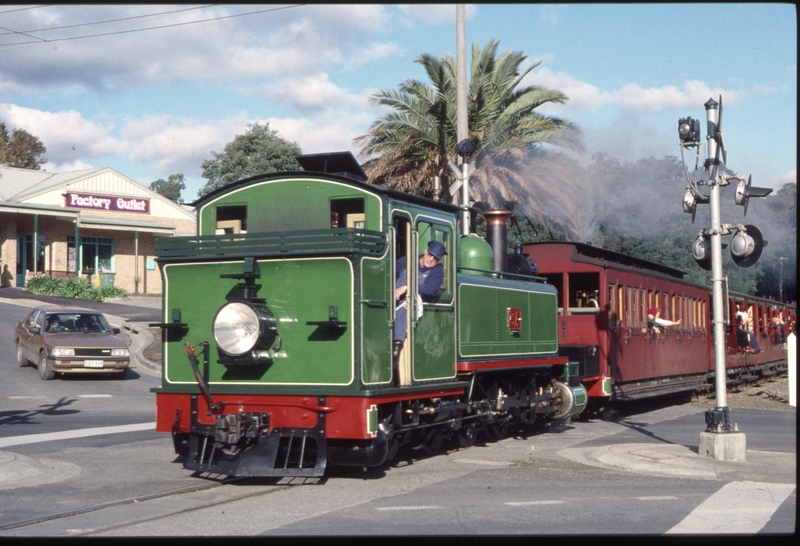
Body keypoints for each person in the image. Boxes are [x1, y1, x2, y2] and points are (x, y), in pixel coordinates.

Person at [393, 241, 447, 375]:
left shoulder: (437, 272)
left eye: (436, 258)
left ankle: (396, 351)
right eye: (430, 255)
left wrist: (406, 288)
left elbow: (429, 289)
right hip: (391, 299)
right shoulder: (405, 261)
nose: (431, 259)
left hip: (412, 303)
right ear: (426, 250)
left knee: (403, 309)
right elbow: (389, 273)